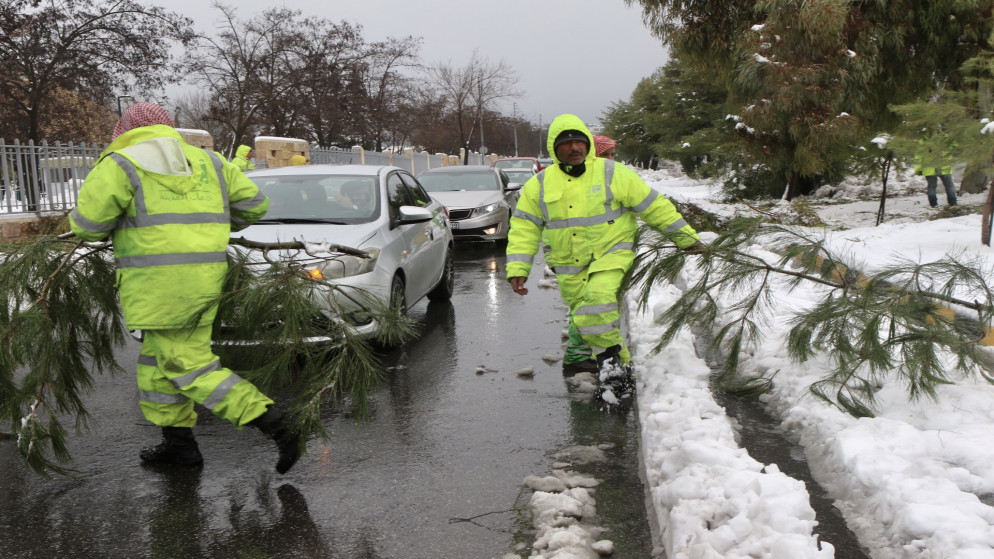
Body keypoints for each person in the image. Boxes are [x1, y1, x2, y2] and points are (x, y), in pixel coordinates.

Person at [69, 102, 302, 473]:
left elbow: (88, 227)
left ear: (124, 130)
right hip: (206, 279)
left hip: (157, 285)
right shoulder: (209, 162)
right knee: (157, 364)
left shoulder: (120, 164)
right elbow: (254, 206)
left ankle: (275, 422)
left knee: (186, 365)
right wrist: (215, 225)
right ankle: (178, 445)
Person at [506, 114, 703, 401]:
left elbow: (653, 206)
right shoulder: (540, 184)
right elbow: (524, 228)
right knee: (591, 322)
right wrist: (518, 268)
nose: (574, 148)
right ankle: (619, 371)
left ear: (587, 143)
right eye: (566, 144)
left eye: (579, 142)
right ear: (554, 149)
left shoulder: (612, 173)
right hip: (569, 265)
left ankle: (615, 379)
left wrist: (688, 239)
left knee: (596, 307)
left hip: (612, 253)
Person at [914, 134, 957, 207]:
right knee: (949, 186)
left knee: (932, 187)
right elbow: (954, 147)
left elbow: (918, 156)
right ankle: (953, 203)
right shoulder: (945, 137)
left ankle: (933, 204)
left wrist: (918, 169)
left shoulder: (922, 140)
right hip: (944, 167)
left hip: (930, 168)